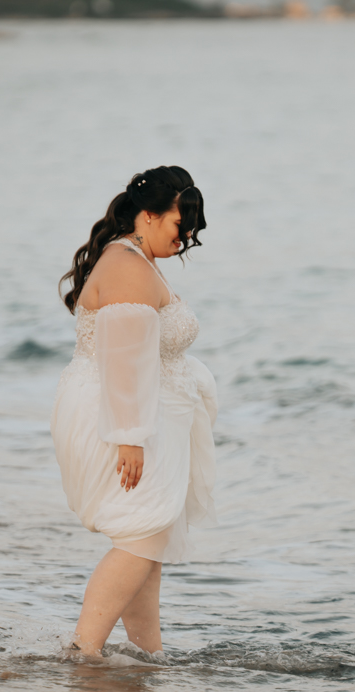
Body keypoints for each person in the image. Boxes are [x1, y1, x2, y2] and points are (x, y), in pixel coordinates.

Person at [51, 166, 217, 659]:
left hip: (140, 414)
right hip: (121, 417)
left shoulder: (136, 256)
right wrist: (129, 436)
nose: (185, 238)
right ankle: (84, 651)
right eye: (178, 225)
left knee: (150, 538)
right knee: (142, 537)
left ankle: (149, 655)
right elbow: (124, 358)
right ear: (148, 216)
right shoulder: (126, 264)